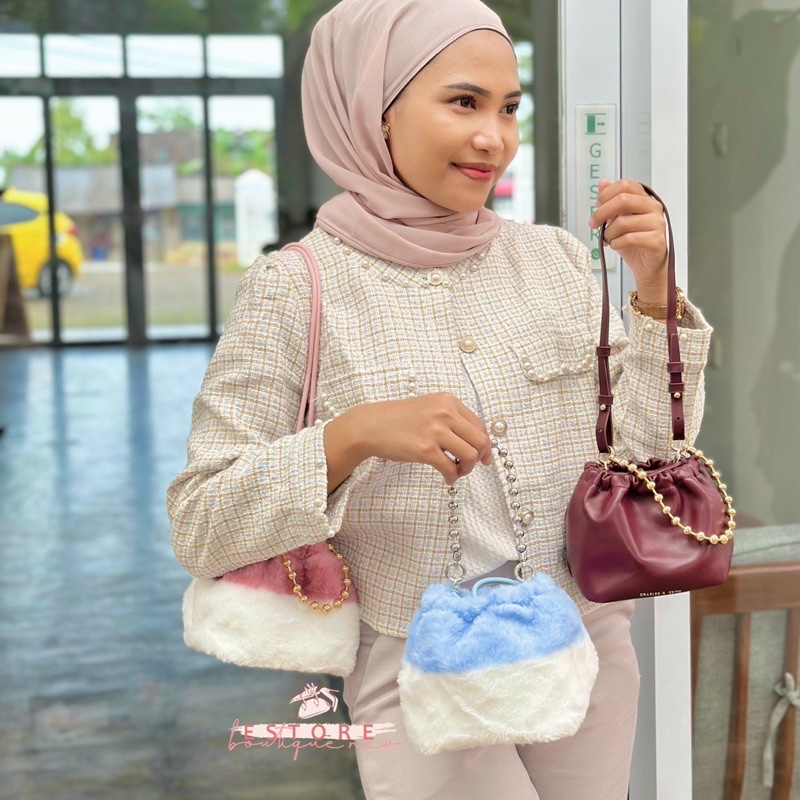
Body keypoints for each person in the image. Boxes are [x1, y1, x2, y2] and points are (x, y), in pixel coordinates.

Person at [167, 0, 712, 797]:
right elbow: (201, 522)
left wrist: (657, 293)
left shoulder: (554, 261)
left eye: (509, 108)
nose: (494, 137)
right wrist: (351, 436)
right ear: (374, 110)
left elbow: (652, 455)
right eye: (464, 102)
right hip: (417, 667)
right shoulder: (296, 287)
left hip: (584, 642)